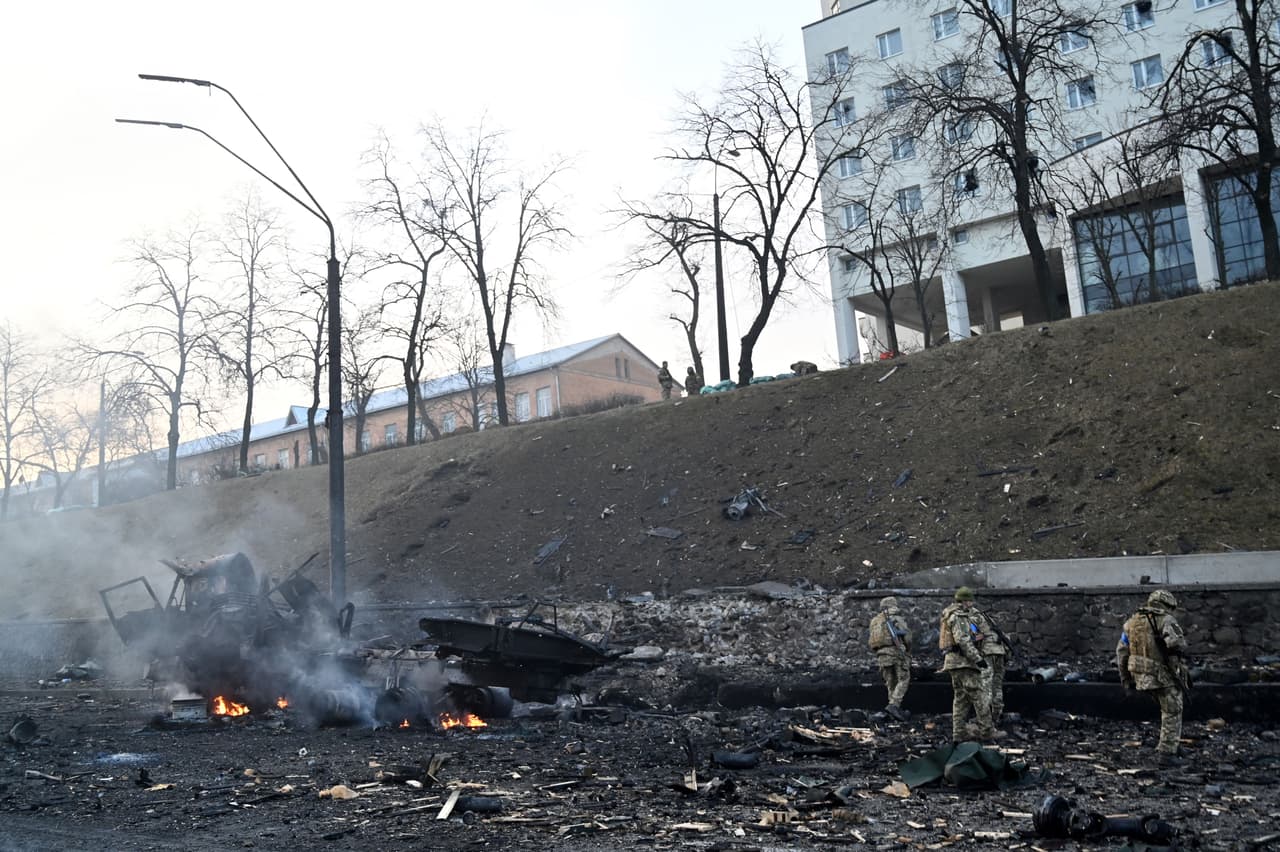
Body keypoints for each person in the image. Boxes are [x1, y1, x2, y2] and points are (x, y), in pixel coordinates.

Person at [1117, 589, 1190, 766]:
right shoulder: (1166, 620)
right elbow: (1177, 645)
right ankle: (1167, 753)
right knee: (1172, 710)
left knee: (1166, 709)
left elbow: (1121, 652)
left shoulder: (1131, 622)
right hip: (1161, 674)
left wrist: (1125, 679)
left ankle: (1172, 743)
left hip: (1139, 675)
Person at [939, 587, 1002, 743]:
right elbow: (963, 640)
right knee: (979, 696)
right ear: (964, 601)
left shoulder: (949, 615)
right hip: (964, 663)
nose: (972, 604)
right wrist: (977, 658)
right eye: (970, 601)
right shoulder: (959, 616)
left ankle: (958, 733)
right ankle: (987, 731)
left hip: (954, 663)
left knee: (960, 699)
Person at [868, 596, 912, 721]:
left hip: (881, 654)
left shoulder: (875, 621)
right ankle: (894, 705)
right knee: (903, 678)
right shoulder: (896, 618)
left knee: (890, 682)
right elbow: (908, 637)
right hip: (896, 652)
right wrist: (907, 649)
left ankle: (893, 711)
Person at [970, 598, 1011, 723]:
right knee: (997, 686)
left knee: (985, 686)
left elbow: (975, 637)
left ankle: (984, 720)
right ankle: (997, 715)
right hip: (1000, 653)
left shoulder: (972, 620)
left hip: (987, 653)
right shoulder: (989, 620)